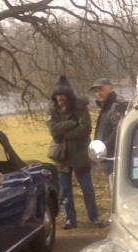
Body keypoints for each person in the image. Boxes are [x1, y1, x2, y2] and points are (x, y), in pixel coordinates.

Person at [46, 75, 103, 229]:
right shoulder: (52, 108)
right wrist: (72, 123)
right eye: (57, 95)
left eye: (61, 95)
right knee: (65, 192)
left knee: (87, 189)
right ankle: (69, 219)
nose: (59, 98)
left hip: (80, 155)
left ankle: (94, 217)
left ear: (68, 96)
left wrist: (63, 134)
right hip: (61, 156)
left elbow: (85, 128)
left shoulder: (80, 107)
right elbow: (53, 129)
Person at [90, 78, 127, 184]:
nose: (98, 93)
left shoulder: (116, 107)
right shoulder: (106, 108)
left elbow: (118, 131)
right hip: (107, 157)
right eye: (96, 91)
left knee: (116, 189)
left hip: (115, 158)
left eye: (101, 89)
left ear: (110, 89)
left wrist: (103, 147)